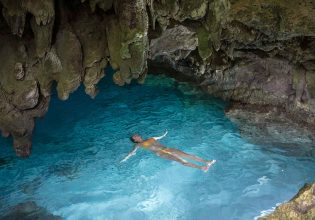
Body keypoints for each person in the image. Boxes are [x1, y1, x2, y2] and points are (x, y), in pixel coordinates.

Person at [120, 130, 216, 172]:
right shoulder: (138, 145)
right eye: (135, 136)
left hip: (167, 149)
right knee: (182, 161)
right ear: (135, 140)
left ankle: (206, 162)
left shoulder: (150, 138)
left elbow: (160, 137)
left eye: (136, 134)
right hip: (161, 153)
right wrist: (125, 159)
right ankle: (201, 168)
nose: (137, 135)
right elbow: (132, 152)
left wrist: (165, 134)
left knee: (187, 155)